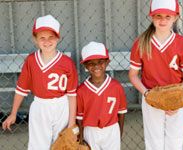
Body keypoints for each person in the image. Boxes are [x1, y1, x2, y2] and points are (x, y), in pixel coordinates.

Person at [2, 15, 78, 149]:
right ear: (35, 39)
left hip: (62, 106)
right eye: (42, 38)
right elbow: (21, 90)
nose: (47, 41)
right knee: (38, 146)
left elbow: (72, 95)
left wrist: (72, 123)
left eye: (51, 37)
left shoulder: (67, 63)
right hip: (40, 106)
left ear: (58, 38)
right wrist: (13, 113)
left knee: (62, 144)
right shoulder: (31, 61)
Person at [128, 0, 183, 149]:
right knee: (153, 141)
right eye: (158, 16)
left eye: (168, 16)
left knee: (175, 141)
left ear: (176, 17)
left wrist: (177, 101)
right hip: (152, 97)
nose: (163, 20)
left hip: (176, 97)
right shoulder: (141, 43)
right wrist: (147, 94)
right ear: (151, 16)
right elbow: (133, 75)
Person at [76, 41, 127, 150]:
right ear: (85, 65)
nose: (96, 66)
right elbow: (79, 118)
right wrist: (80, 137)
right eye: (91, 63)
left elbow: (121, 113)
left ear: (107, 62)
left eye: (100, 62)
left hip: (112, 130)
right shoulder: (81, 90)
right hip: (90, 131)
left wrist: (119, 133)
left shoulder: (116, 86)